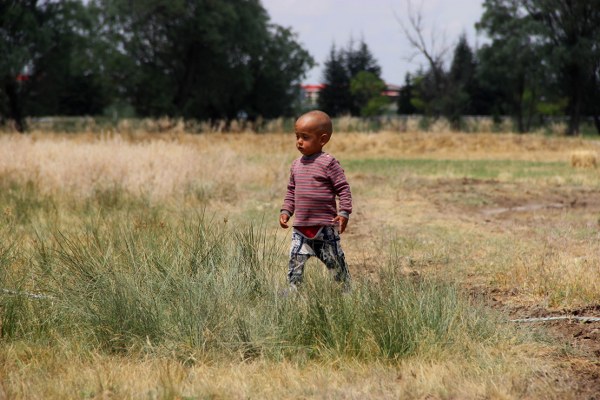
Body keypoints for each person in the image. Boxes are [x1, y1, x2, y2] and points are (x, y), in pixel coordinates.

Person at [279, 110, 352, 290]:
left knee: (335, 264)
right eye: (297, 136)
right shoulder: (296, 165)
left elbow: (343, 189)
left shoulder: (328, 163)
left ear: (322, 139)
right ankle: (294, 293)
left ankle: (346, 293)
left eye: (305, 137)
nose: (299, 141)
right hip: (301, 228)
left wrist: (344, 212)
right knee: (295, 264)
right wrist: (286, 211)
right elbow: (291, 191)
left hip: (325, 228)